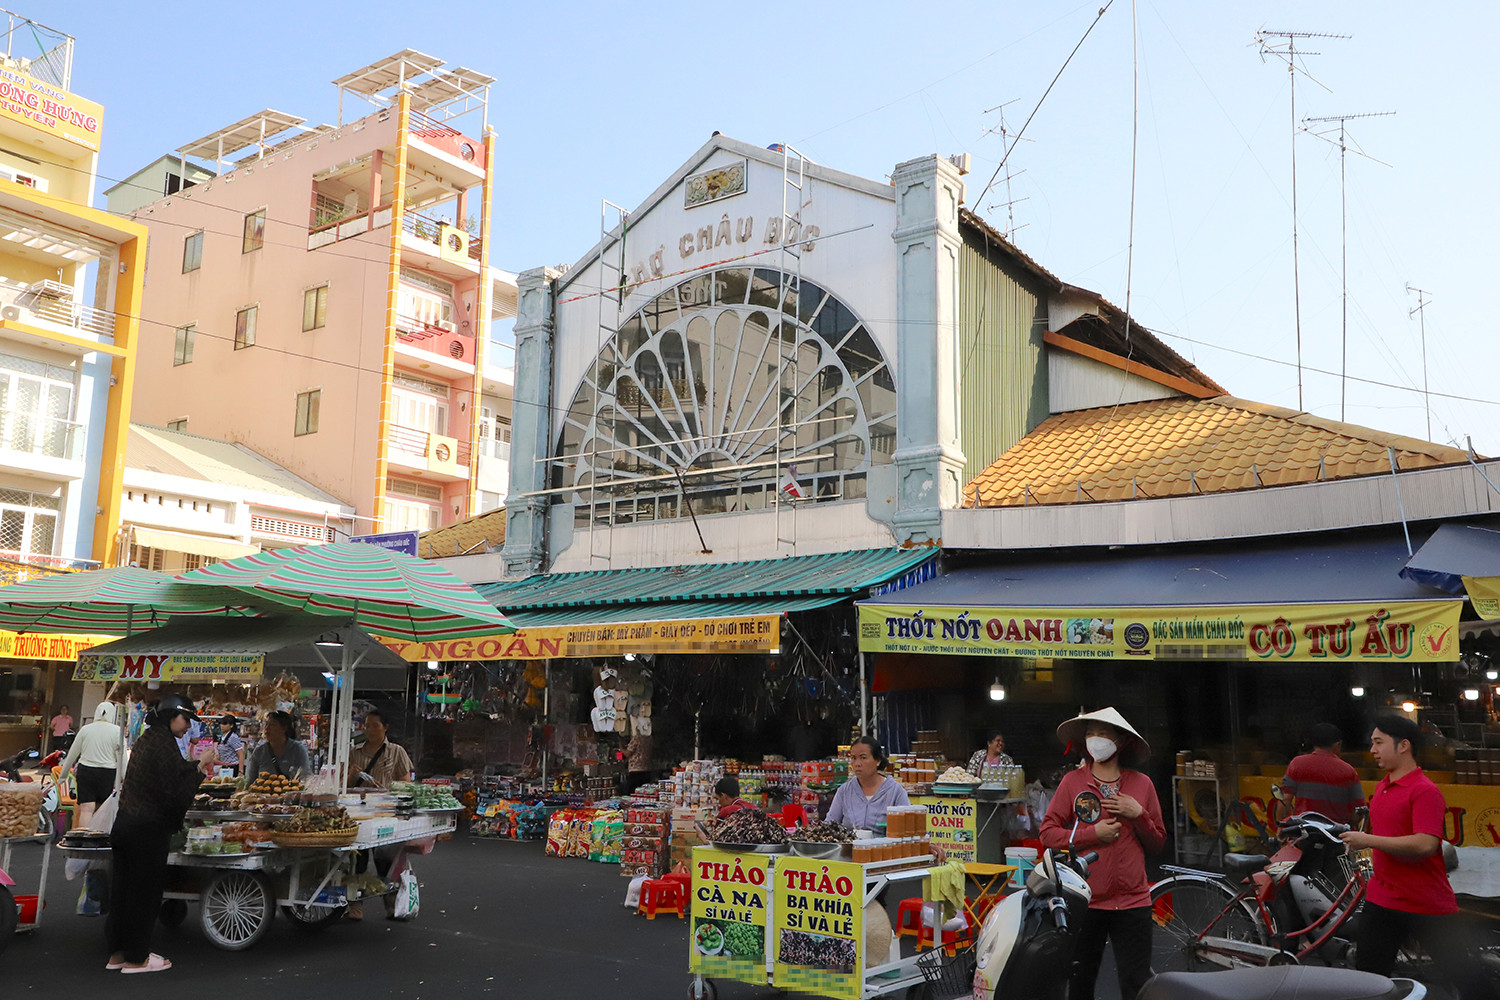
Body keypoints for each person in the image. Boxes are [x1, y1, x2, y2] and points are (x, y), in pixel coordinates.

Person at [1340, 715, 1486, 999]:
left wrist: (1367, 841)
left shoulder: (1425, 791)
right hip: (1382, 899)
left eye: (1379, 742)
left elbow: (1425, 844)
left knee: (1468, 978)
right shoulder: (1382, 787)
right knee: (1368, 979)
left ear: (1403, 745)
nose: (1372, 750)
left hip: (1425, 903)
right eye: (1372, 743)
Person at [1040, 707, 1165, 1000]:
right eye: (1091, 733)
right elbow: (1048, 833)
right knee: (1081, 983)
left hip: (1134, 901)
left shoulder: (1142, 785)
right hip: (1086, 900)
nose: (1096, 740)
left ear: (1120, 742)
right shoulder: (1073, 782)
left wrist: (1139, 815)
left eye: (1104, 734)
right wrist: (1091, 835)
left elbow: (1158, 842)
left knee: (1136, 985)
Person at [107, 693, 214, 974]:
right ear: (172, 716)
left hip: (125, 824)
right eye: (186, 718)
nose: (189, 725)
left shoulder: (148, 739)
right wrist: (200, 766)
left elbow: (170, 777)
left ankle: (118, 953)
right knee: (144, 893)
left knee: (122, 890)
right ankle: (137, 958)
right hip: (147, 828)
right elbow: (175, 792)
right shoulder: (163, 744)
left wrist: (195, 767)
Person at [1280, 722, 1366, 823]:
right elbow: (1360, 809)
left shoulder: (1297, 764)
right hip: (1336, 834)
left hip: (1304, 830)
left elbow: (1285, 800)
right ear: (1338, 745)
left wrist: (1281, 826)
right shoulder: (1349, 771)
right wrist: (1349, 825)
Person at [60, 702, 124, 828]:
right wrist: (125, 777)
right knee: (102, 809)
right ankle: (98, 838)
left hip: (86, 771)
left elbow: (72, 754)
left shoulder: (85, 730)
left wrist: (63, 776)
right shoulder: (117, 731)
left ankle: (83, 836)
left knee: (86, 809)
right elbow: (122, 758)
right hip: (107, 772)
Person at [825, 735, 909, 830]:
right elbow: (830, 824)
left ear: (878, 760)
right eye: (853, 758)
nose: (857, 763)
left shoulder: (895, 791)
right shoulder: (845, 791)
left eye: (863, 758)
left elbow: (909, 827)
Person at [347, 709, 414, 790]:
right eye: (367, 726)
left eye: (375, 726)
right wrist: (351, 775)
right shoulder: (354, 752)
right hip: (357, 801)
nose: (370, 730)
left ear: (385, 727)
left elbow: (406, 785)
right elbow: (341, 785)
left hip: (386, 802)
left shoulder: (397, 751)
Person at [245, 711, 309, 782]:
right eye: (266, 724)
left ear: (284, 728)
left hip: (292, 792)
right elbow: (251, 782)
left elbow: (305, 777)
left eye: (272, 724)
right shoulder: (259, 752)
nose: (266, 728)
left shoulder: (298, 749)